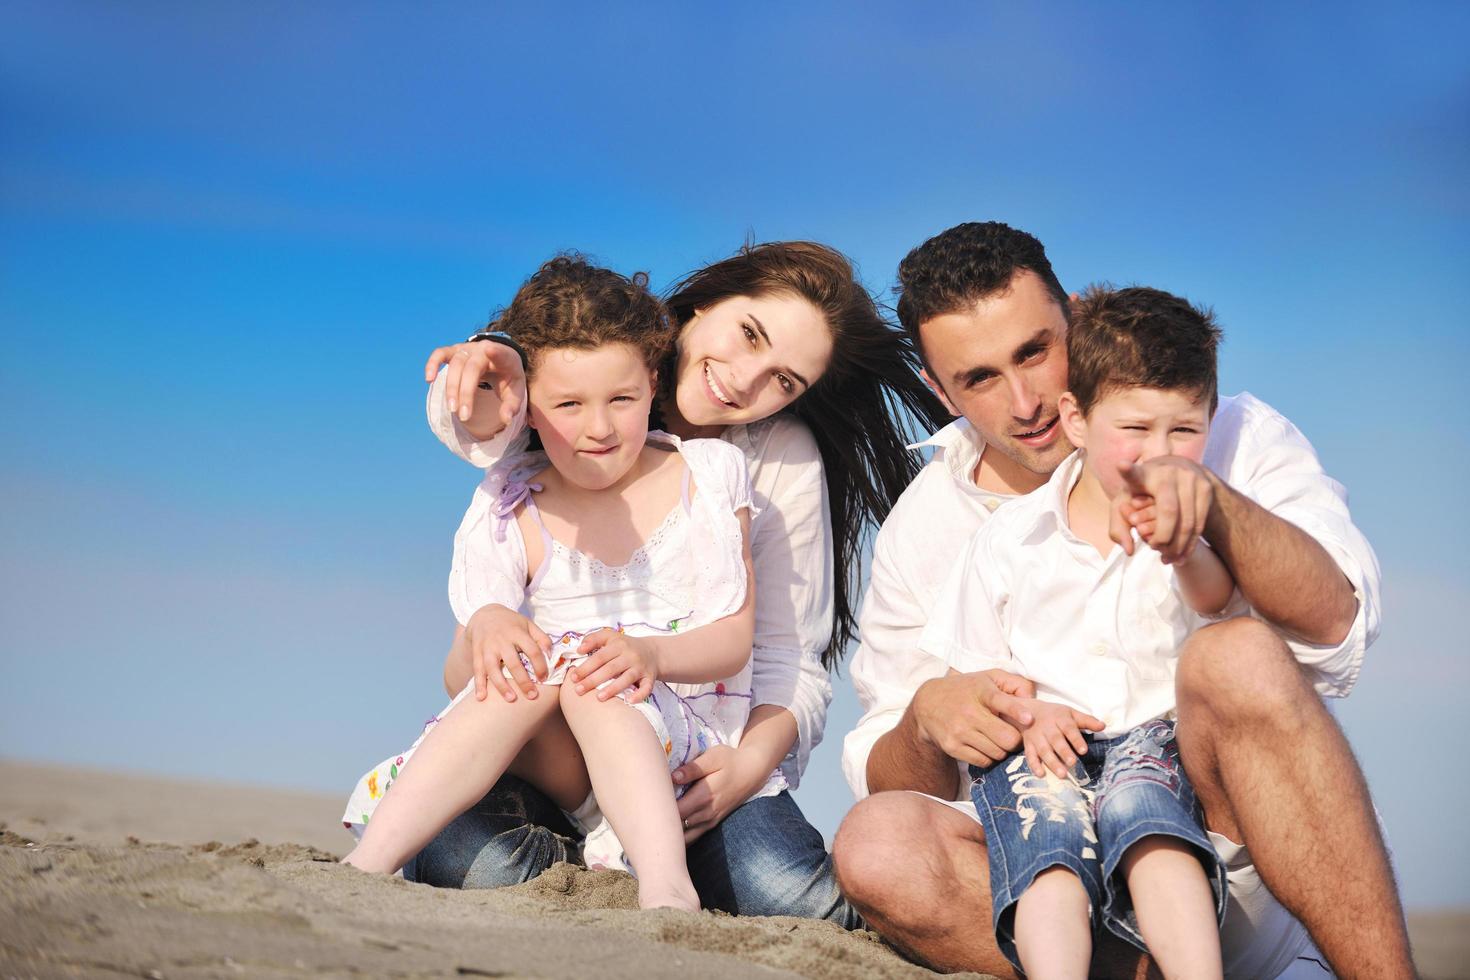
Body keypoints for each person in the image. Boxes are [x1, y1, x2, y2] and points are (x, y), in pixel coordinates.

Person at [834, 222, 1412, 978]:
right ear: (942, 392)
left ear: (1074, 318)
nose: (1027, 400)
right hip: (1055, 874)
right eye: (979, 378)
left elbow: (1340, 623)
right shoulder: (927, 526)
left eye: (1035, 351)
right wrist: (925, 720)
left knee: (1233, 653)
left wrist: (1211, 503)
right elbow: (889, 769)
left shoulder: (1227, 430)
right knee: (877, 842)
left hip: (1255, 871)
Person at [412, 241, 949, 921]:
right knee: (463, 860)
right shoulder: (591, 385)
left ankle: (649, 867)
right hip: (551, 749)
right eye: (748, 335)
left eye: (785, 380)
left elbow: (793, 661)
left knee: (789, 894)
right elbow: (475, 420)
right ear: (703, 302)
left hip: (696, 757)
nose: (746, 379)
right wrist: (491, 350)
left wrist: (748, 767)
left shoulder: (776, 460)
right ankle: (605, 864)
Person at [342, 256, 762, 911]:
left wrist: (648, 655)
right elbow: (478, 615)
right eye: (568, 404)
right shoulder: (513, 495)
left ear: (652, 382)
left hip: (675, 745)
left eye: (621, 399)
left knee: (598, 677)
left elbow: (735, 639)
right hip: (560, 763)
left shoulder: (707, 473)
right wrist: (490, 622)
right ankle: (367, 861)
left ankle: (666, 884)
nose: (598, 427)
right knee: (530, 667)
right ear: (528, 410)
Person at [921, 286, 1241, 978]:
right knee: (1047, 862)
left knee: (1155, 833)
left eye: (1183, 430)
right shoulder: (1010, 539)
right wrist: (1028, 715)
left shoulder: (1188, 527)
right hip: (1045, 745)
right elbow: (975, 678)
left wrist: (1184, 547)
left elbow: (1218, 603)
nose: (1157, 452)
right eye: (1134, 429)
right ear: (1077, 418)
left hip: (1155, 735)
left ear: (1210, 419)